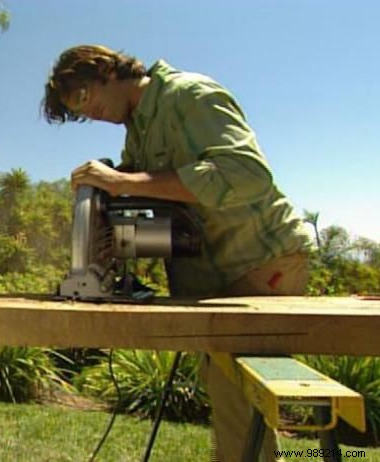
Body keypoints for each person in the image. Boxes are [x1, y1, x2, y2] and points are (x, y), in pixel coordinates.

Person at [42, 44, 312, 461]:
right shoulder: (139, 134)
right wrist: (111, 242)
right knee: (233, 399)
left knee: (235, 398)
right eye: (77, 111)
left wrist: (119, 181)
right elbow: (175, 218)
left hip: (261, 260)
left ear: (104, 70)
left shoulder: (190, 94)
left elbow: (248, 176)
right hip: (214, 276)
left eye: (82, 97)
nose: (87, 112)